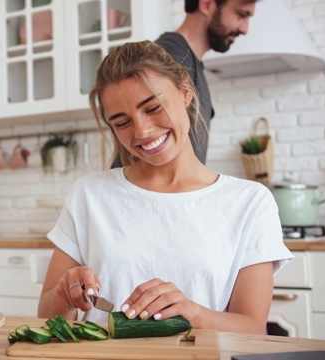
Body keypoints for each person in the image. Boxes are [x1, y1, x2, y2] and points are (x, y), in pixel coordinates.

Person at [38, 41, 293, 334]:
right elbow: (46, 317)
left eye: (153, 107)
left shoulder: (250, 202)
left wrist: (192, 312)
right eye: (122, 123)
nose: (142, 131)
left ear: (185, 91)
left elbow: (252, 328)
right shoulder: (89, 195)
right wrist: (64, 292)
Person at [111, 0, 257, 167]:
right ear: (207, 5)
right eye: (241, 15)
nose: (244, 29)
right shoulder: (169, 58)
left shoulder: (188, 62)